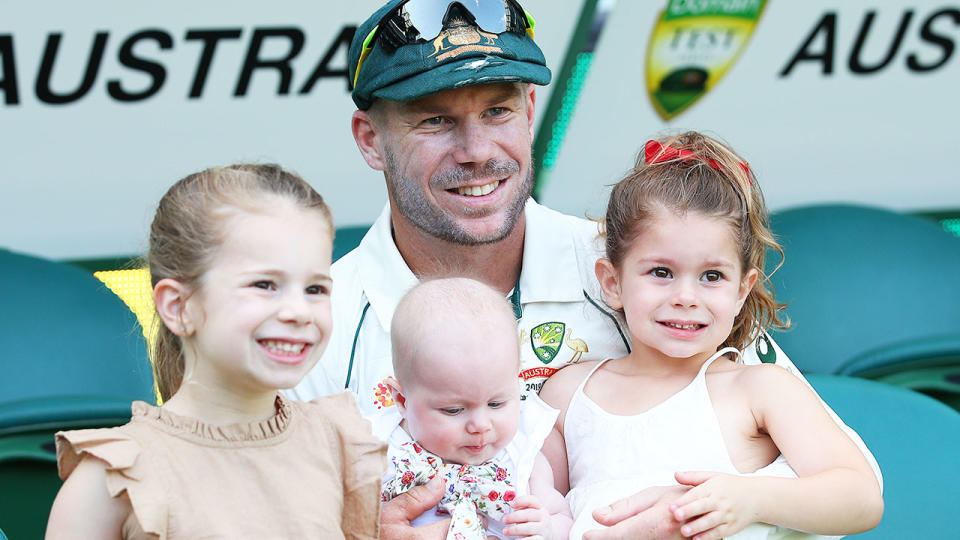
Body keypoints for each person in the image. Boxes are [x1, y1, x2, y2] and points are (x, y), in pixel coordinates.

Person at [289, 1, 881, 538]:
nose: (475, 151)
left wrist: (694, 507)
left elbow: (848, 485)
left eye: (496, 111)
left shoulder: (647, 266)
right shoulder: (314, 323)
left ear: (528, 111)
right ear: (370, 140)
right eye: (434, 120)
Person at [539, 133, 884, 539]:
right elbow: (538, 505)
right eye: (661, 272)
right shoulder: (567, 394)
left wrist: (750, 498)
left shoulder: (759, 388)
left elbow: (860, 498)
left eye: (712, 276)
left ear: (742, 290)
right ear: (612, 282)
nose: (686, 297)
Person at [45, 164, 386, 539]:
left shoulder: (338, 442)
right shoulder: (111, 477)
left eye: (316, 289)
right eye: (264, 284)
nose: (299, 312)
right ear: (178, 306)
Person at [377, 277, 572, 539]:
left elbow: (564, 517)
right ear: (402, 400)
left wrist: (548, 528)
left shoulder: (521, 457)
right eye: (454, 410)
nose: (480, 425)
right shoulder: (376, 453)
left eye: (496, 403)